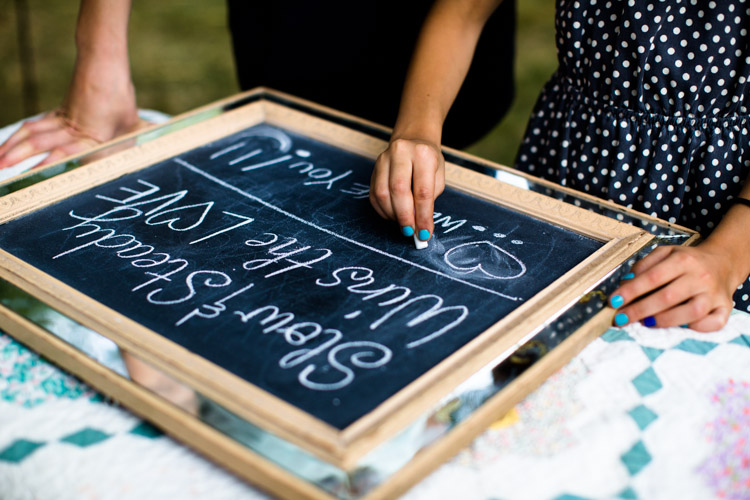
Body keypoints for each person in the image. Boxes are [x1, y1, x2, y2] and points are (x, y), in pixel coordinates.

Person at [369, 0, 750, 331]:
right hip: (570, 155)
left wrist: (729, 257)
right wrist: (418, 128)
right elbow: (464, 11)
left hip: (720, 204)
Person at [0, 0, 516, 169]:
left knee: (425, 173)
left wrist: (422, 126)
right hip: (290, 30)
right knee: (294, 142)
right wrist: (99, 63)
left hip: (440, 23)